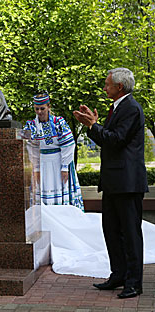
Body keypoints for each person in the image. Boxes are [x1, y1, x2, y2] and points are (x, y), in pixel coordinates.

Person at [73, 68, 147, 299]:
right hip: (114, 182)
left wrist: (92, 126)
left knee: (130, 234)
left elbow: (116, 140)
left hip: (127, 183)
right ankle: (119, 275)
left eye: (108, 84)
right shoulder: (117, 108)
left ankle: (134, 283)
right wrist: (93, 124)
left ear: (120, 87)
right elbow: (108, 140)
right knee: (112, 232)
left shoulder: (131, 108)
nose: (105, 88)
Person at [23, 94, 84, 210]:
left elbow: (68, 144)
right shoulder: (31, 125)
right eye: (37, 109)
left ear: (48, 107)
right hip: (42, 164)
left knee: (62, 190)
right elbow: (30, 148)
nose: (39, 112)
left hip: (59, 162)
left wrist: (65, 167)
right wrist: (35, 169)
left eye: (42, 108)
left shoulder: (59, 122)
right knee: (41, 192)